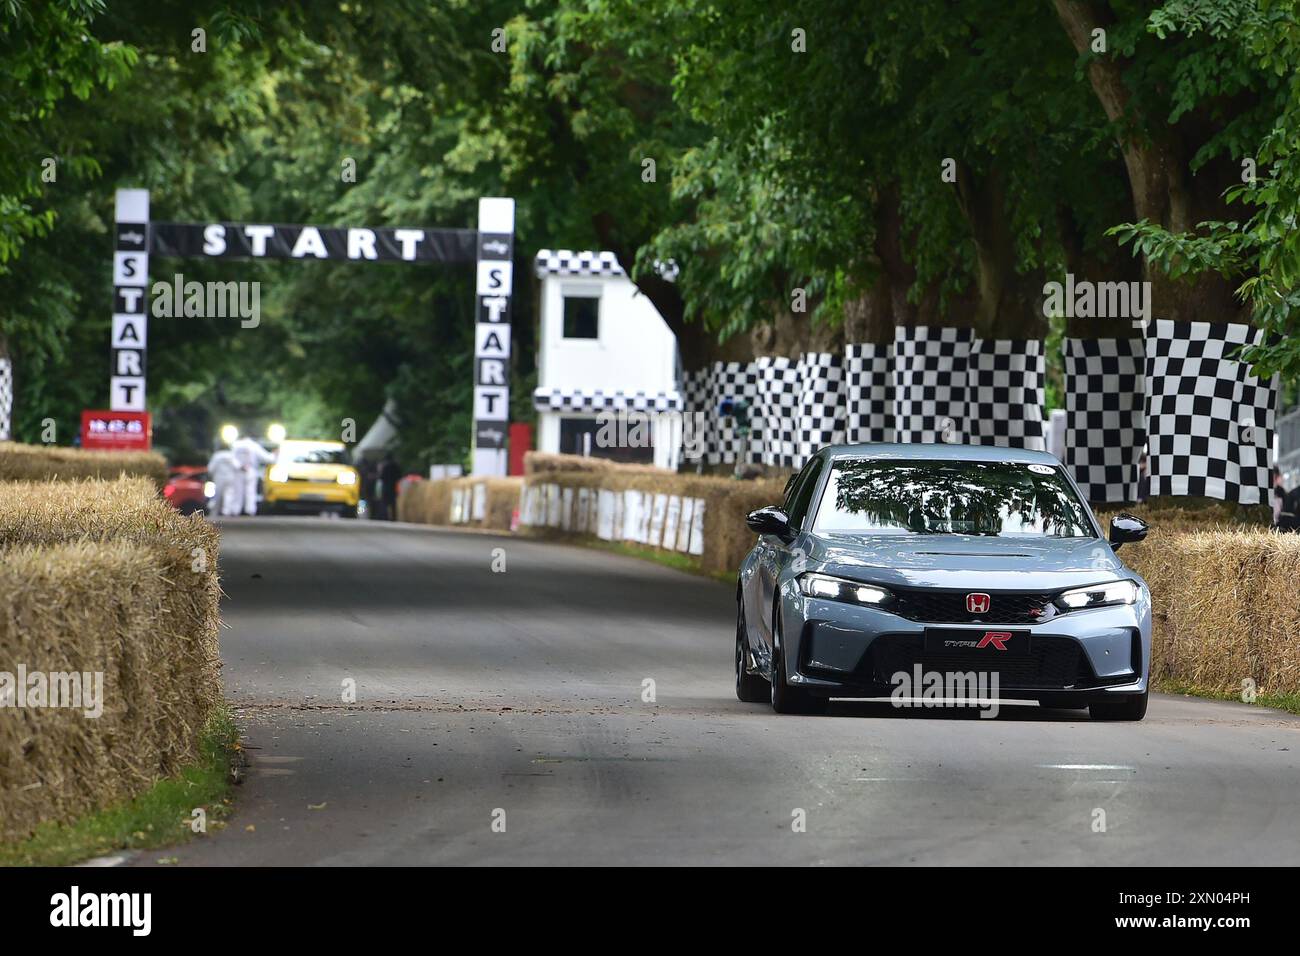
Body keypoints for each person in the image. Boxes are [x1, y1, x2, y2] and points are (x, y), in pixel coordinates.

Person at [231, 436, 275, 516]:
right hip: (250, 470)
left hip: (238, 471)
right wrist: (274, 455)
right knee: (250, 491)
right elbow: (266, 457)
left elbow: (231, 458)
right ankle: (250, 510)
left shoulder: (235, 445)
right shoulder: (254, 445)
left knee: (237, 491)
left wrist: (239, 466)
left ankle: (235, 510)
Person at [206, 447, 242, 516]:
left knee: (217, 495)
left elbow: (211, 468)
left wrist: (211, 476)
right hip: (230, 477)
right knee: (229, 494)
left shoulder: (217, 455)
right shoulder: (231, 455)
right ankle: (226, 511)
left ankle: (213, 511)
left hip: (219, 478)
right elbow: (237, 466)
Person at [377, 453, 401, 521]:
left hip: (386, 487)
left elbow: (381, 477)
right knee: (393, 503)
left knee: (385, 503)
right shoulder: (396, 466)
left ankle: (385, 517)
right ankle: (394, 517)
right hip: (393, 486)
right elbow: (399, 476)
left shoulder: (385, 466)